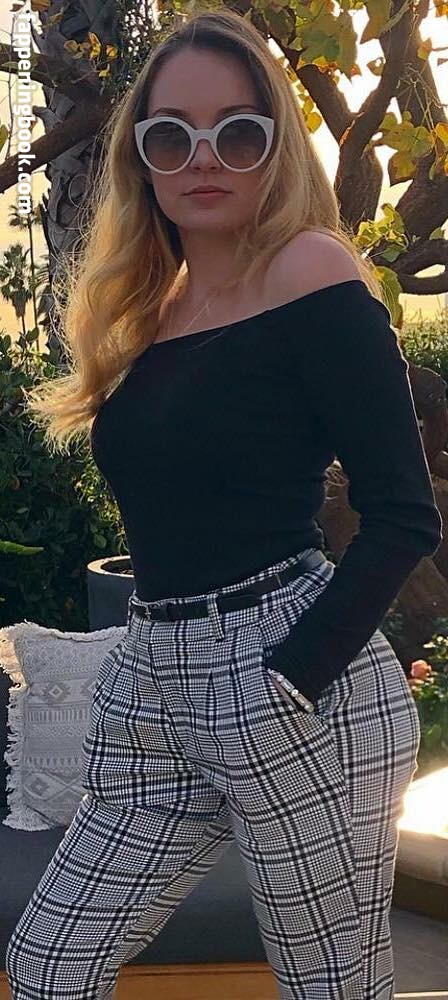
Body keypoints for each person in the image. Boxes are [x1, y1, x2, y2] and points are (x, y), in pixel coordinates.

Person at [7, 7, 442, 999]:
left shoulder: (309, 270)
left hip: (292, 677)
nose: (204, 157)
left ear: (274, 146)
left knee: (329, 987)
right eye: (172, 135)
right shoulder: (147, 308)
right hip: (151, 677)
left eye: (237, 132)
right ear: (142, 157)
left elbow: (402, 514)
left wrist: (288, 679)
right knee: (48, 963)